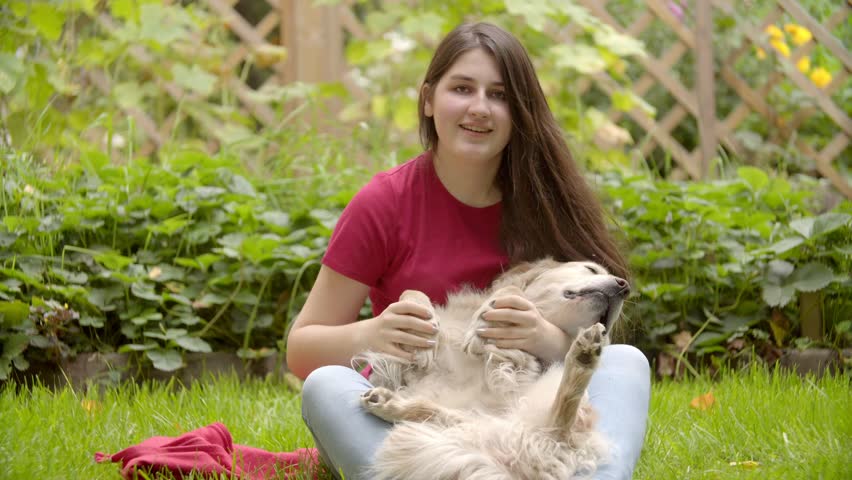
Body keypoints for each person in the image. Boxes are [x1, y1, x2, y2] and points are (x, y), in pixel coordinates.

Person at [286, 22, 650, 480]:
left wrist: (543, 337)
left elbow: (591, 347)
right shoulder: (384, 204)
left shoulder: (547, 206)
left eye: (499, 95)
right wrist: (372, 334)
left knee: (626, 362)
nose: (480, 107)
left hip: (526, 421)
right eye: (462, 88)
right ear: (428, 100)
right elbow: (301, 350)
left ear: (520, 112)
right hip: (430, 422)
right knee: (324, 386)